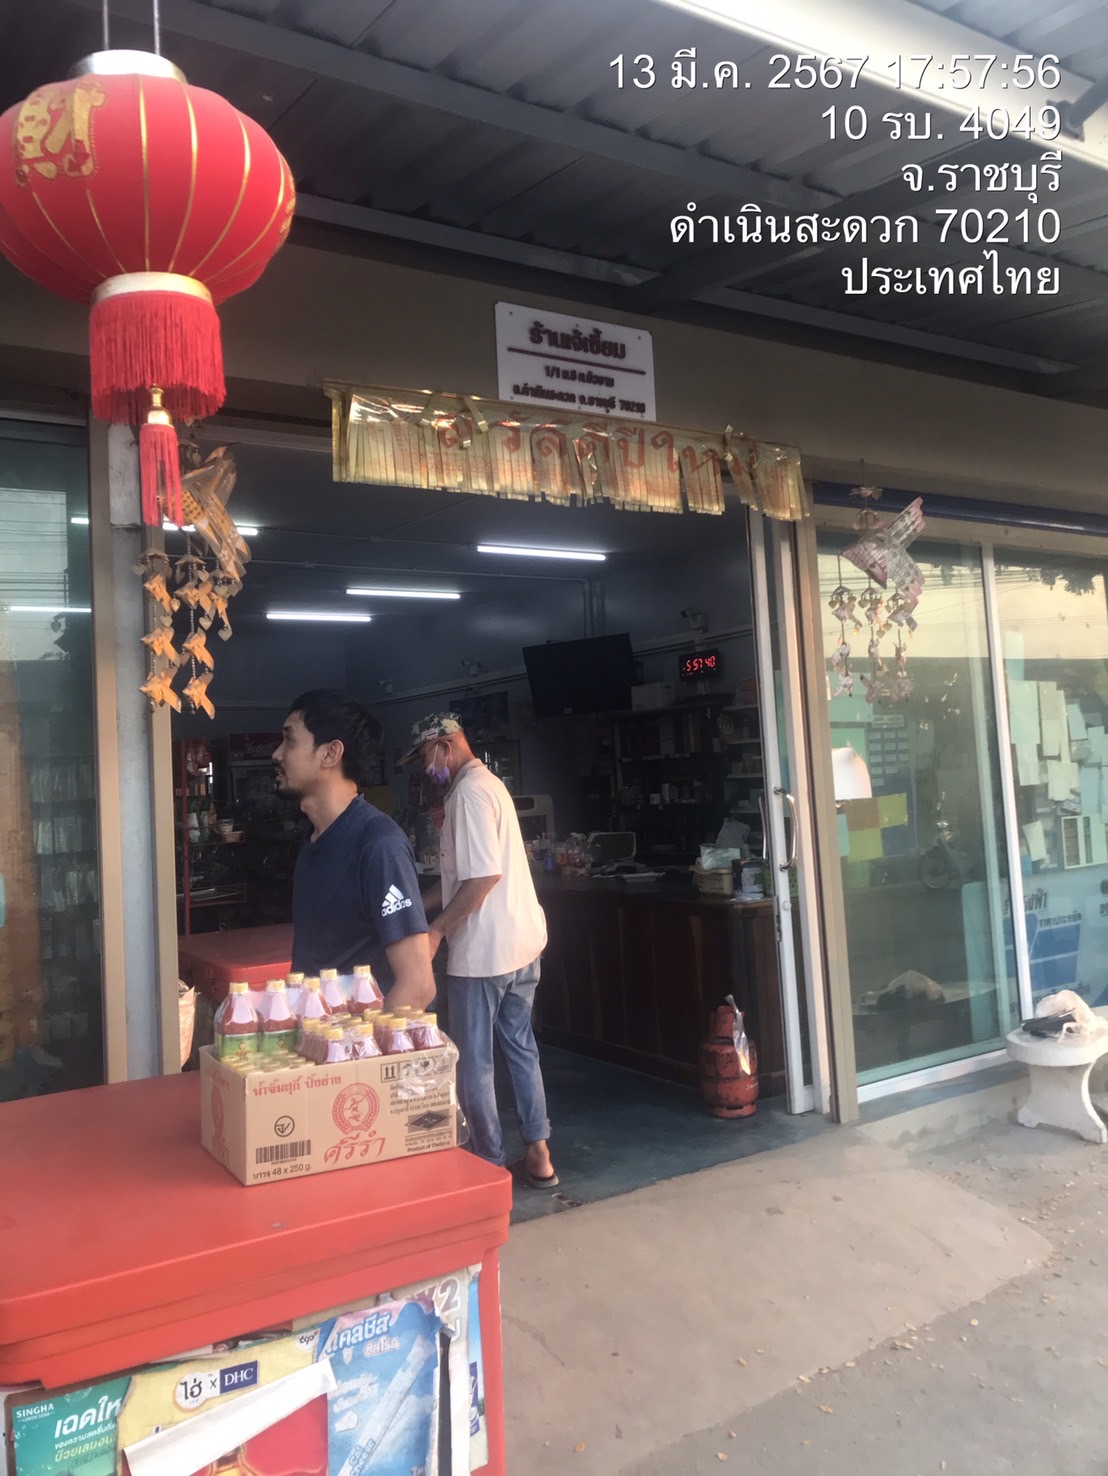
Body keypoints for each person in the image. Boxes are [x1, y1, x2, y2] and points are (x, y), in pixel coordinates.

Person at [401, 712, 557, 1187]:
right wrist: (416, 905)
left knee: (475, 1061)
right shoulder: (488, 785)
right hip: (522, 945)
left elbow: (483, 877)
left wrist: (436, 931)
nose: (425, 768)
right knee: (521, 1048)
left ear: (445, 746)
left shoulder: (468, 794)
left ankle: (488, 1163)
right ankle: (539, 1154)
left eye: (425, 756)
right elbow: (461, 880)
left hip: (485, 954)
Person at [273, 690, 435, 1010]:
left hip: (355, 1038)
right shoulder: (314, 839)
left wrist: (360, 1042)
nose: (277, 754)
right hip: (316, 1032)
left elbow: (418, 986)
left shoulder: (378, 844)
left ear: (330, 753)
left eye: (289, 740)